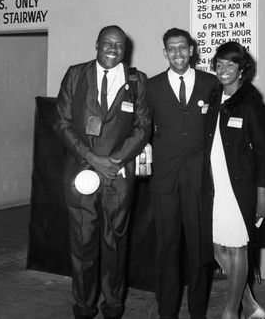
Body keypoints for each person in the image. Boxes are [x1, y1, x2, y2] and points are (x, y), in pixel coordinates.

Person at [54, 25, 151, 319]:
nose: (113, 48)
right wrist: (92, 158)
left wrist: (116, 161)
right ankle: (84, 306)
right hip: (81, 175)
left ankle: (113, 306)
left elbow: (143, 127)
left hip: (118, 178)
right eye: (107, 43)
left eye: (119, 45)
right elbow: (61, 123)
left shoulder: (137, 81)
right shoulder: (75, 74)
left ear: (126, 49)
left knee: (116, 244)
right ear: (96, 44)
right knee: (82, 242)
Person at [147, 27, 218, 319]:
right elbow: (141, 129)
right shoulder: (150, 87)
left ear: (192, 49)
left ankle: (197, 312)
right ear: (165, 53)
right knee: (166, 249)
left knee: (200, 250)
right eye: (171, 49)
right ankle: (167, 312)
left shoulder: (211, 83)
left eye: (182, 48)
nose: (177, 53)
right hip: (164, 181)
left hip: (200, 180)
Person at [201, 41, 265, 319]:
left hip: (239, 188)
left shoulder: (251, 104)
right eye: (219, 64)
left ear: (242, 68)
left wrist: (262, 196)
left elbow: (264, 154)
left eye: (230, 64)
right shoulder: (214, 96)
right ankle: (250, 306)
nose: (223, 70)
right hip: (215, 186)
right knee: (218, 248)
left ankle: (231, 312)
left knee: (237, 248)